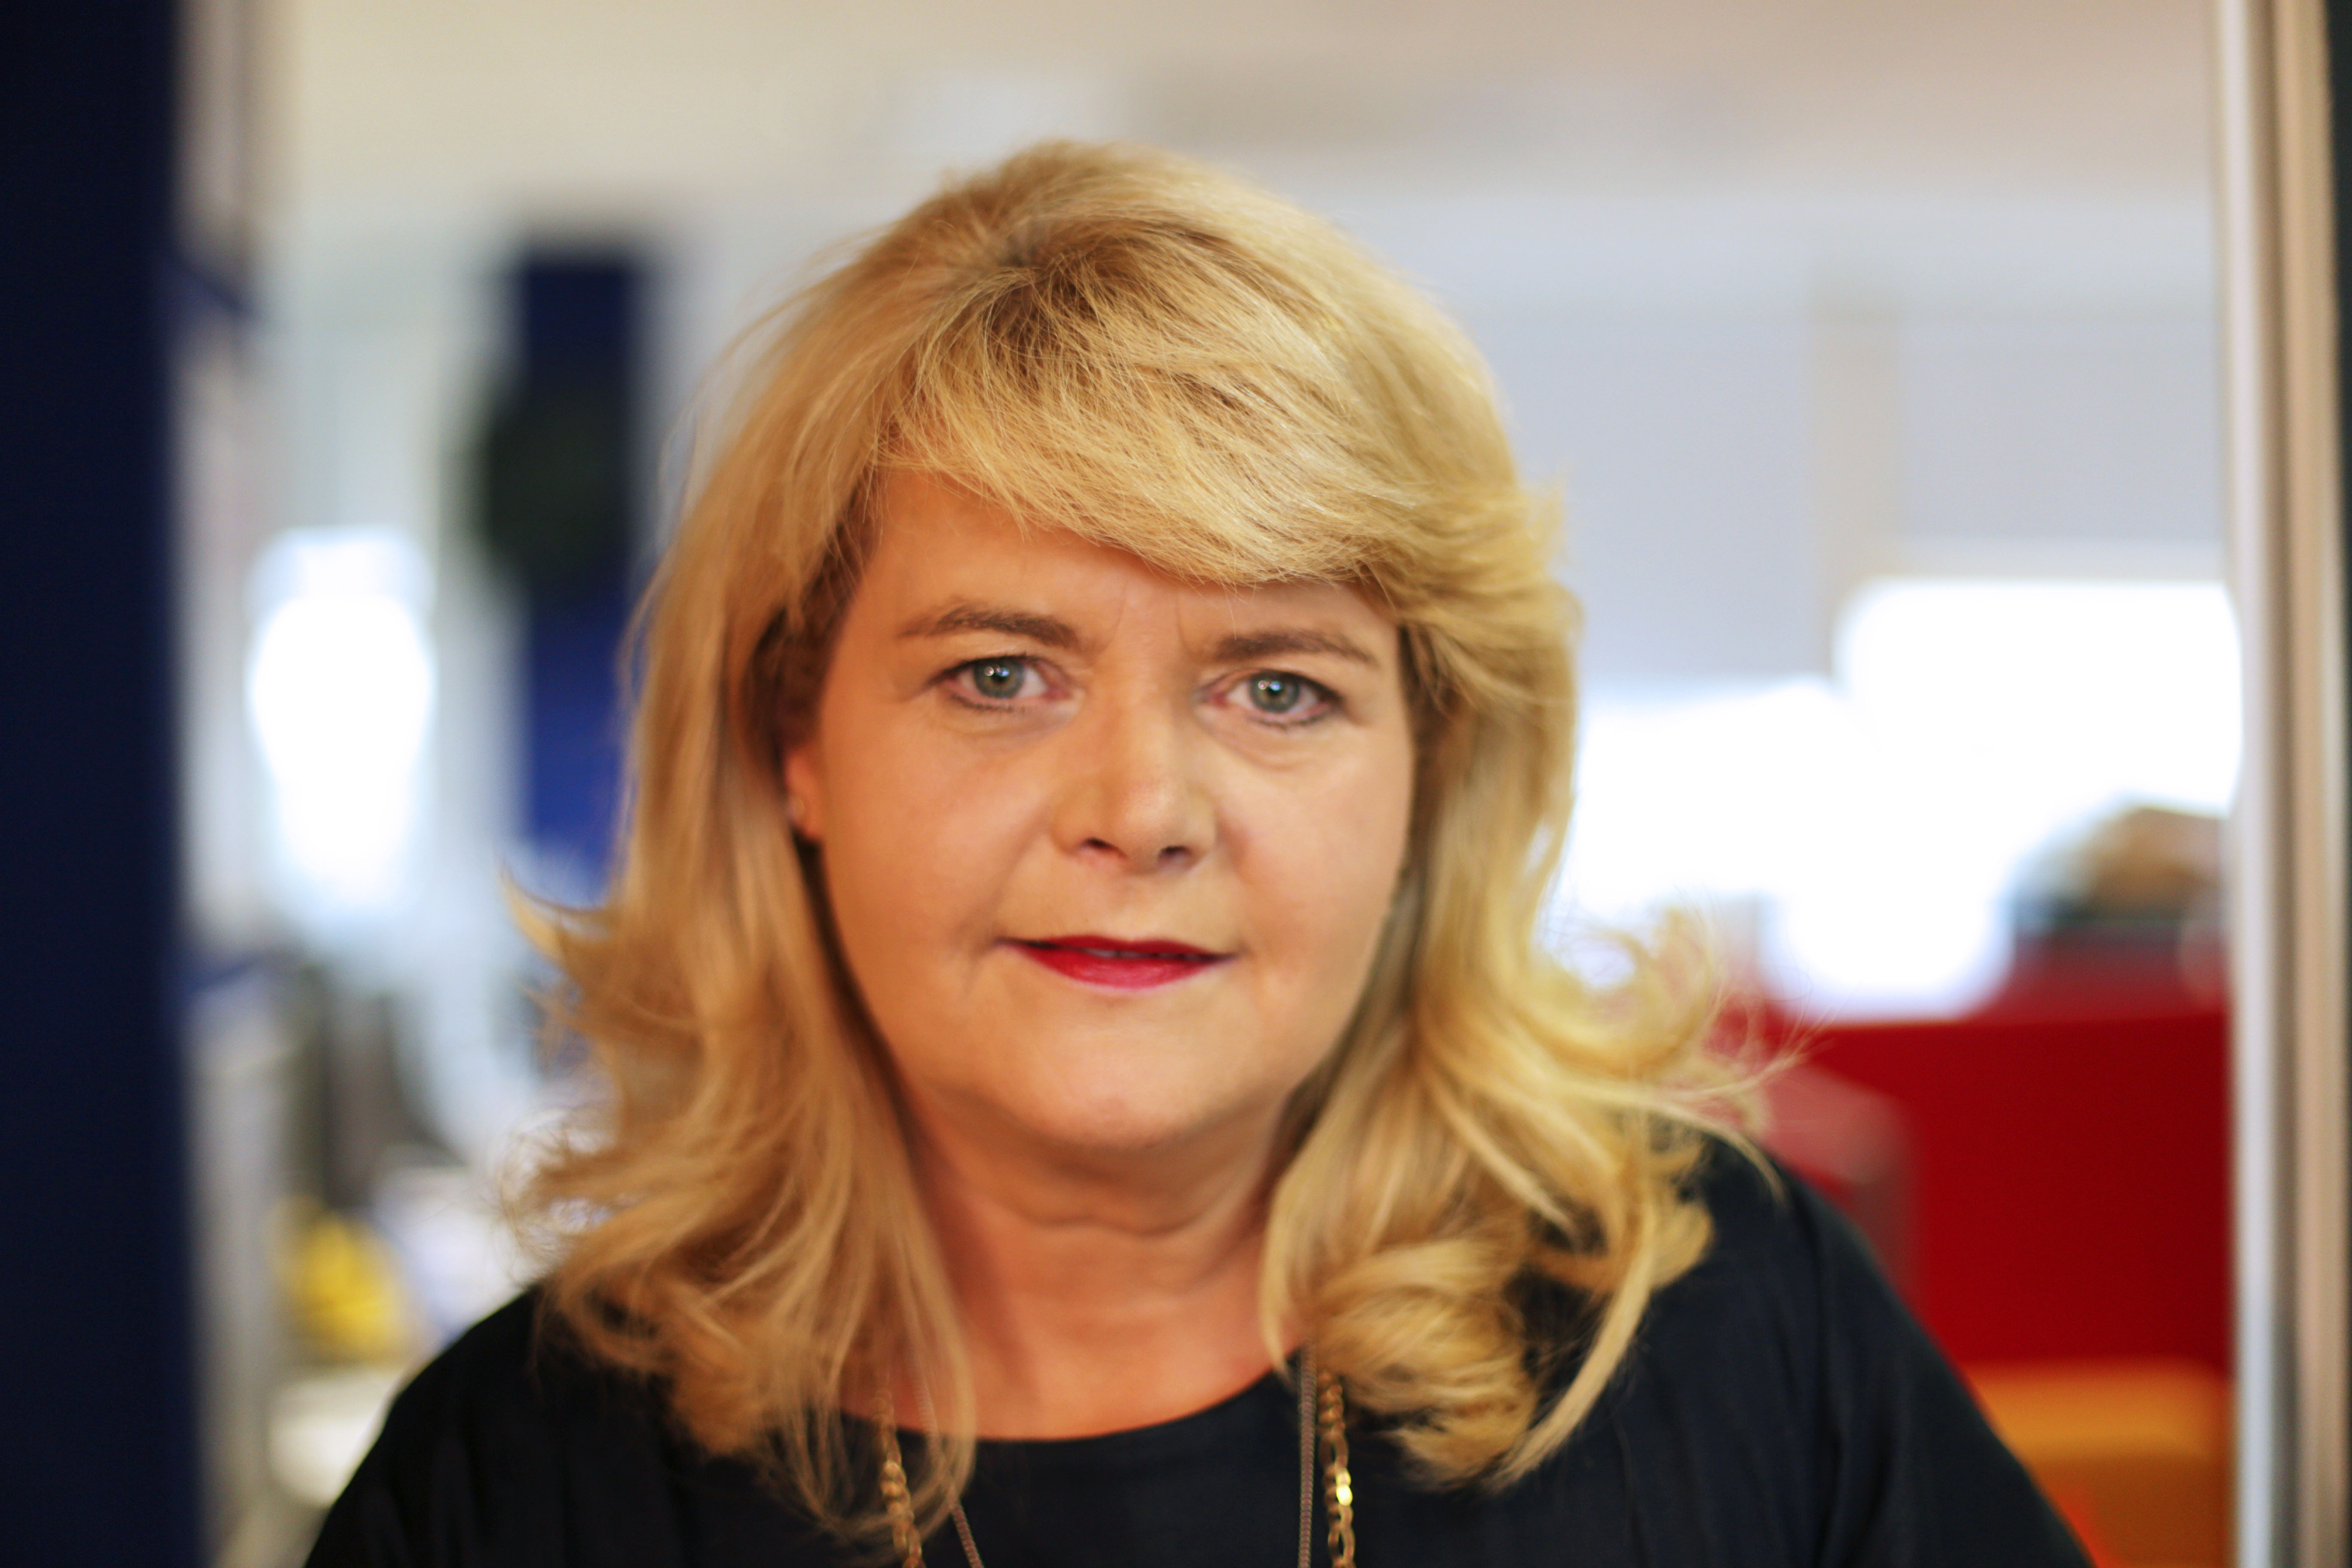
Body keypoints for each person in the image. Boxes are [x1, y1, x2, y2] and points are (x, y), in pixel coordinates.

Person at [307, 141, 2088, 1567]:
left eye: (1278, 688)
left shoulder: (1730, 1331)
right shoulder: (504, 1487)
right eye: (1000, 675)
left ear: (1431, 771)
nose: (1142, 809)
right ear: (798, 741)